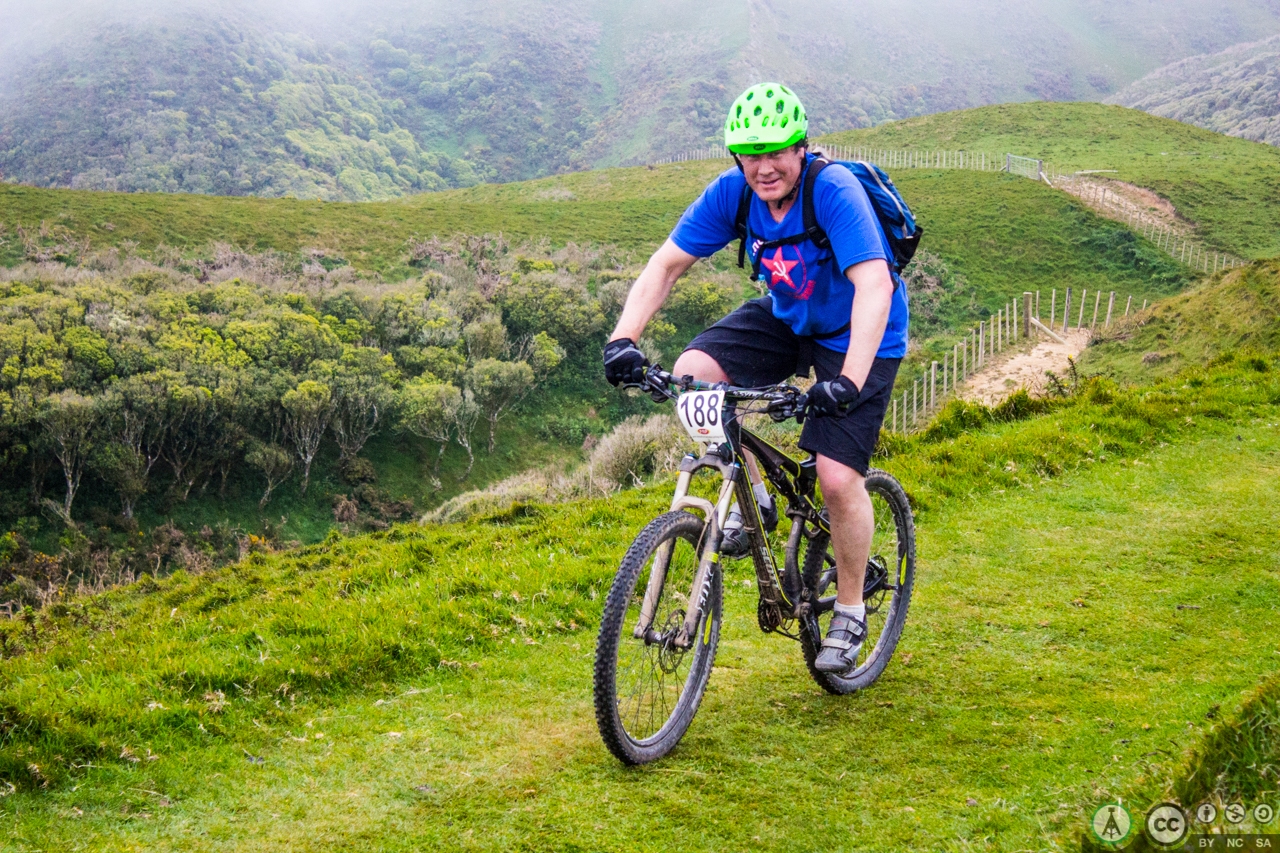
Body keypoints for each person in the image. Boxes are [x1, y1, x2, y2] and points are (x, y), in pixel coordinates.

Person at [601, 82, 909, 674]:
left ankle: (849, 610)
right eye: (750, 154)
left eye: (776, 153)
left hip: (860, 332)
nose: (763, 167)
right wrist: (623, 338)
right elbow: (666, 265)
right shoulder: (734, 194)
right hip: (789, 317)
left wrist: (847, 382)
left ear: (801, 148)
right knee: (692, 378)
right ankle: (757, 498)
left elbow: (874, 285)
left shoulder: (833, 191)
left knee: (837, 478)